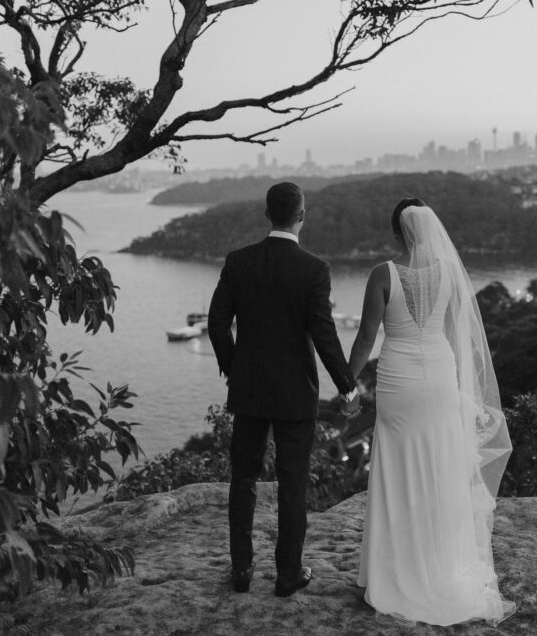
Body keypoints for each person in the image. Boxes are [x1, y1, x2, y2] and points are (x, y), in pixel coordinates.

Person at [345, 198, 515, 626]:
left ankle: (390, 573)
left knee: (396, 470)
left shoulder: (382, 274)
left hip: (399, 383)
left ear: (397, 232)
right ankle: (438, 565)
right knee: (438, 469)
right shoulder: (450, 276)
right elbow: (460, 336)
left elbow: (366, 337)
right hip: (440, 380)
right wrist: (461, 390)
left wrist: (347, 387)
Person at [207, 182, 358, 597]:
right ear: (301, 215)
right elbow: (323, 334)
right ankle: (288, 575)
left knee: (243, 478)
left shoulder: (238, 261)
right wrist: (347, 386)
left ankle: (241, 571)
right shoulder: (314, 269)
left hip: (250, 390)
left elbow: (217, 323)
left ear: (267, 214)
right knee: (293, 483)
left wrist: (234, 368)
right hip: (295, 394)